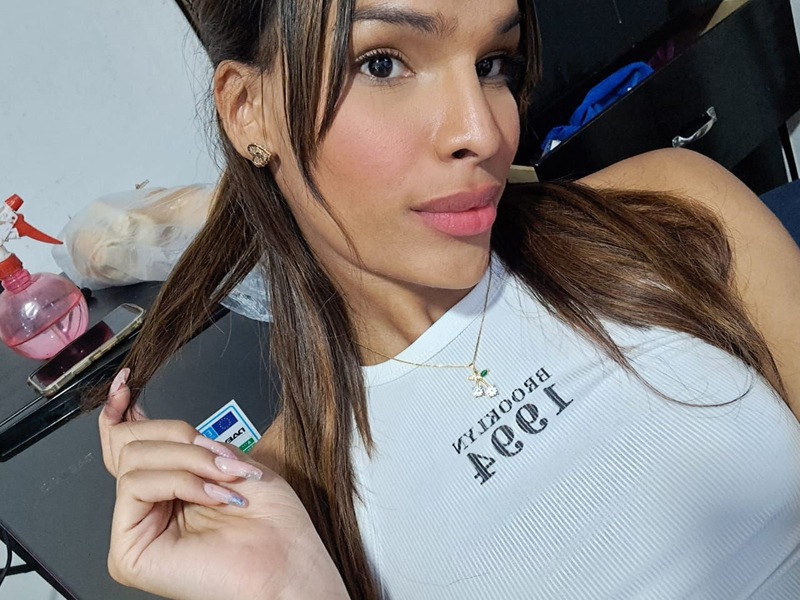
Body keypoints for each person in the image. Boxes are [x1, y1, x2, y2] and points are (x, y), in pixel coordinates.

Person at [94, 0, 800, 598]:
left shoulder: (672, 215)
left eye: (493, 63)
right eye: (382, 64)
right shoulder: (282, 502)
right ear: (249, 111)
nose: (483, 132)